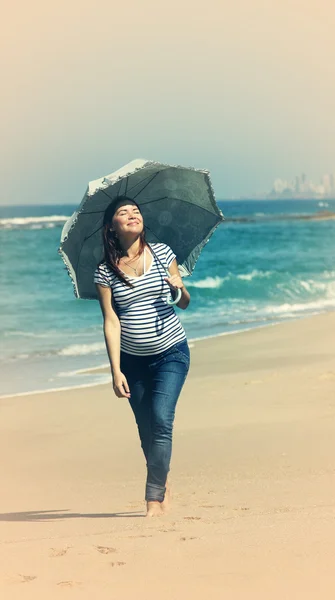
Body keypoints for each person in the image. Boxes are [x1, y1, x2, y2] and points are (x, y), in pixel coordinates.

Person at [94, 196, 191, 517]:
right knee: (146, 428)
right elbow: (111, 320)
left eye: (136, 211)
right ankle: (162, 481)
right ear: (113, 227)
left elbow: (183, 302)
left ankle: (153, 500)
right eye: (124, 212)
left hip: (172, 354)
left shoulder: (163, 254)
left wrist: (178, 286)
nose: (132, 215)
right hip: (132, 361)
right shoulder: (105, 271)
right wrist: (115, 370)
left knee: (162, 419)